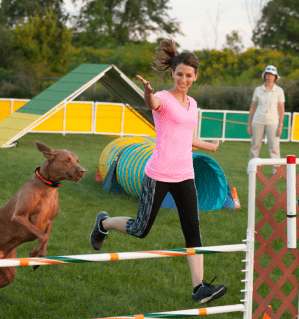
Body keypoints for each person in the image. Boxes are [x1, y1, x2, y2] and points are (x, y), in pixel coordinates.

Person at [90, 38, 227, 304]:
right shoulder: (162, 98)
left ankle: (199, 287)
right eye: (179, 75)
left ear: (195, 76)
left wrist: (210, 146)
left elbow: (187, 136)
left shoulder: (193, 104)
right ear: (172, 74)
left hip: (185, 174)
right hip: (158, 174)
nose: (183, 80)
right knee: (141, 229)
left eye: (188, 75)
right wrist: (147, 93)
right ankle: (103, 223)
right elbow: (152, 104)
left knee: (193, 230)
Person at [247, 65, 285, 173]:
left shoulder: (279, 91)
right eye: (268, 74)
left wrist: (280, 126)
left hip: (273, 122)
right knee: (255, 146)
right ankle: (252, 170)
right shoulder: (258, 90)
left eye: (272, 75)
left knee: (274, 148)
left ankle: (276, 171)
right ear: (264, 75)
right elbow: (252, 108)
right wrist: (249, 125)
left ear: (275, 77)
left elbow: (281, 110)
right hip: (257, 121)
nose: (269, 77)